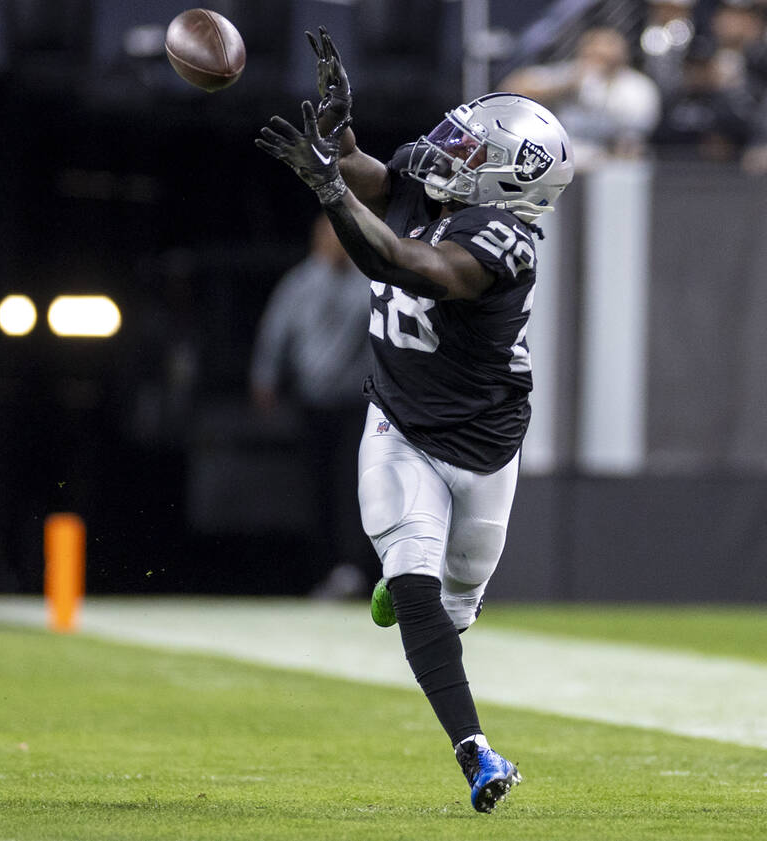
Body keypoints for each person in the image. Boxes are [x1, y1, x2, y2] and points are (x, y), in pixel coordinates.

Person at [255, 28, 574, 812]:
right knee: (416, 583)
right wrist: (340, 140)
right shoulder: (430, 185)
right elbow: (370, 175)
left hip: (485, 443)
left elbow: (403, 261)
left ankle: (415, 585)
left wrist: (330, 190)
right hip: (398, 422)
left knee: (457, 603)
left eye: (472, 148)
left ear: (507, 180)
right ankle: (476, 751)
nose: (448, 150)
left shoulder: (504, 241)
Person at [249, 213, 379, 598]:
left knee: (353, 486)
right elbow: (275, 332)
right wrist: (264, 379)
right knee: (316, 487)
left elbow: (382, 333)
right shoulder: (300, 283)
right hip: (312, 402)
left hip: (355, 403)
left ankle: (354, 568)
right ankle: (322, 568)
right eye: (329, 236)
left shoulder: (367, 281)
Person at [501, 26, 659, 167]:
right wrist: (565, 87)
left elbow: (634, 137)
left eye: (604, 56)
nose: (598, 61)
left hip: (612, 163)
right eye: (593, 54)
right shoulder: (570, 75)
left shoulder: (638, 87)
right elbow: (514, 88)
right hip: (565, 159)